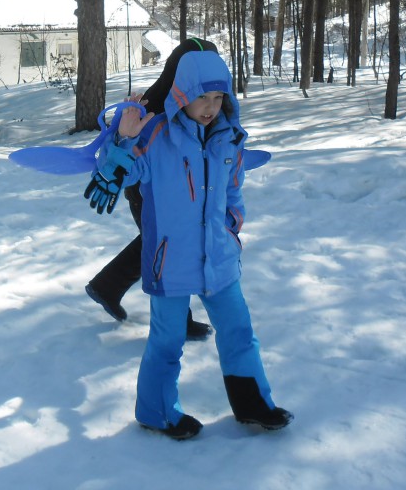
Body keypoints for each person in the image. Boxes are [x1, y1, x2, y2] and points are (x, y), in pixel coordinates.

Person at [96, 49, 292, 440]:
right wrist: (123, 138)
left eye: (218, 98)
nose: (210, 107)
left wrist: (231, 227)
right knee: (167, 341)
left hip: (219, 258)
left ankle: (253, 405)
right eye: (202, 97)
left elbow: (233, 191)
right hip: (170, 262)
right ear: (182, 93)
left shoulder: (228, 139)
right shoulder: (156, 137)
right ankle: (156, 412)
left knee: (239, 332)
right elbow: (115, 174)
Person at [85, 38, 215, 341]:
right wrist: (122, 140)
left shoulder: (200, 102)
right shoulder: (154, 106)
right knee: (168, 248)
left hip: (180, 194)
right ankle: (177, 320)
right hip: (147, 191)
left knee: (158, 241)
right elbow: (122, 158)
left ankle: (107, 286)